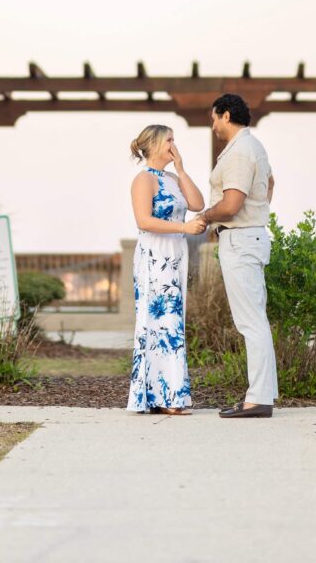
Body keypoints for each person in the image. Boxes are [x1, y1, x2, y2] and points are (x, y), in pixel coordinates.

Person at [195, 94, 278, 418]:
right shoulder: (251, 147)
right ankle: (262, 395)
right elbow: (270, 183)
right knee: (255, 320)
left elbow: (231, 205)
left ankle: (257, 399)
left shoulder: (241, 151)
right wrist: (259, 212)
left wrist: (206, 216)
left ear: (226, 115)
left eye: (214, 118)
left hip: (241, 240)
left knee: (250, 322)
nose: (213, 124)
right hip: (248, 236)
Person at [127, 124, 206, 415]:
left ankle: (170, 396)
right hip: (154, 256)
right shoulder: (143, 180)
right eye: (170, 140)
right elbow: (143, 220)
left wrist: (182, 169)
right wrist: (183, 227)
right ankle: (162, 397)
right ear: (156, 144)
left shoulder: (172, 178)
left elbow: (198, 203)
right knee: (160, 323)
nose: (174, 144)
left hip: (175, 255)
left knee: (174, 322)